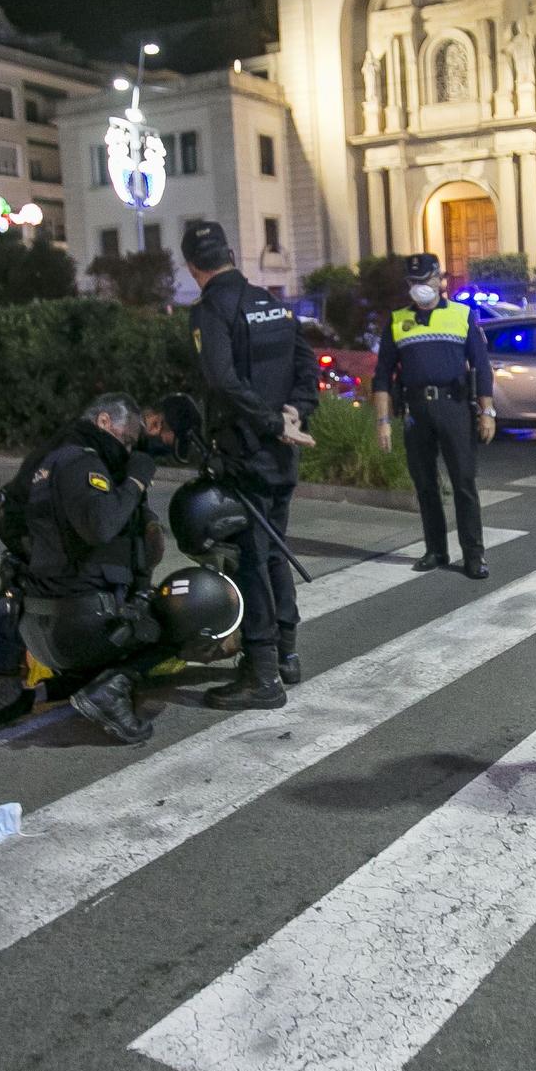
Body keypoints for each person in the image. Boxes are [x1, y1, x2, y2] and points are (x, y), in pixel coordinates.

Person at [0, 394, 162, 748]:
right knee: (178, 615)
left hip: (36, 615)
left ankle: (31, 696)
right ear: (104, 422)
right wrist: (134, 483)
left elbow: (12, 519)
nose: (128, 448)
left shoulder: (48, 456)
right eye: (128, 438)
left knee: (88, 671)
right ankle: (112, 687)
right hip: (83, 615)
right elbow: (102, 525)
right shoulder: (82, 460)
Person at [184, 219, 320, 706]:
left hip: (248, 452)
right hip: (284, 451)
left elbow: (220, 380)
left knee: (250, 559)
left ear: (193, 267)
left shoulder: (210, 310)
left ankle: (261, 674)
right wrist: (295, 413)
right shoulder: (271, 303)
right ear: (231, 256)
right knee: (274, 551)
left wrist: (268, 423)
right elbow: (308, 366)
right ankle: (286, 655)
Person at [374, 253, 495, 579]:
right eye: (412, 283)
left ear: (439, 280)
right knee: (425, 484)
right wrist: (383, 422)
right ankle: (436, 549)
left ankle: (474, 555)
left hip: (454, 406)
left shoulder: (462, 315)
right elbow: (383, 374)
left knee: (464, 484)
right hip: (416, 410)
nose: (418, 288)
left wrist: (487, 411)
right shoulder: (398, 320)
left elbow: (481, 366)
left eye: (424, 281)